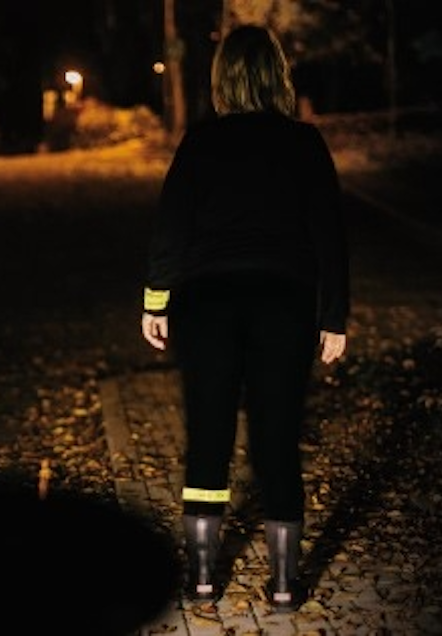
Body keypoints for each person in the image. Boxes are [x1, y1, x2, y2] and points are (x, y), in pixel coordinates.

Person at [140, 25, 349, 612]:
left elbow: (171, 227)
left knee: (208, 433)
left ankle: (203, 578)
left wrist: (156, 301)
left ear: (223, 79)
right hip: (284, 301)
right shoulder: (304, 143)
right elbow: (329, 236)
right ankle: (284, 583)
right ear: (277, 75)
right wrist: (334, 317)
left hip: (208, 302)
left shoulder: (201, 142)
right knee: (276, 437)